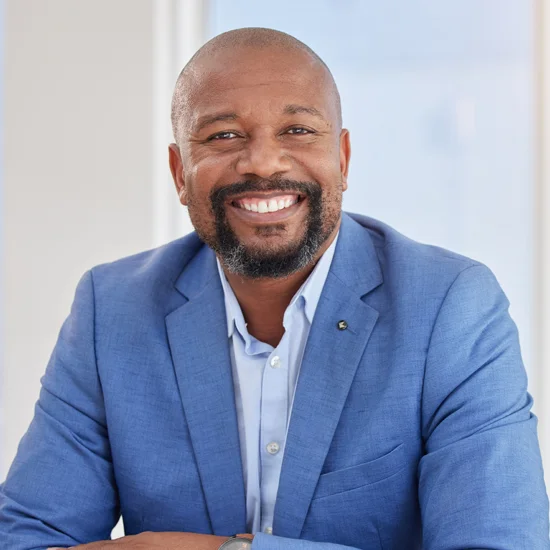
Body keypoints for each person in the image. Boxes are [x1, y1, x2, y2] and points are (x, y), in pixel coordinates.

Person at [0, 27, 549, 550]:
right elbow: (27, 537)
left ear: (343, 158)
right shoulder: (111, 310)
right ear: (178, 172)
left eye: (297, 130)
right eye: (223, 135)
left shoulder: (450, 306)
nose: (262, 162)